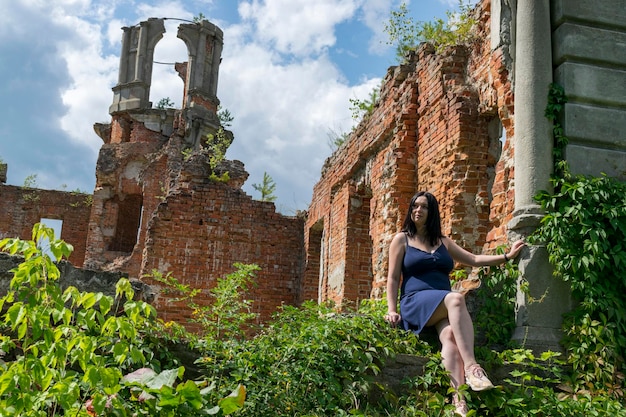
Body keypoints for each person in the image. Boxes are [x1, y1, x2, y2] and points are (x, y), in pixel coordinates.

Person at [384, 191, 525, 416]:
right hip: (415, 303)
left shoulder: (443, 242)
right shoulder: (402, 239)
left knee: (449, 335)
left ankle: (458, 401)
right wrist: (391, 310)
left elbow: (475, 259)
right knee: (456, 298)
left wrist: (507, 257)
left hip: (440, 305)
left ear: (432, 212)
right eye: (414, 206)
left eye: (423, 207)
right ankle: (472, 367)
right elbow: (392, 278)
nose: (417, 211)